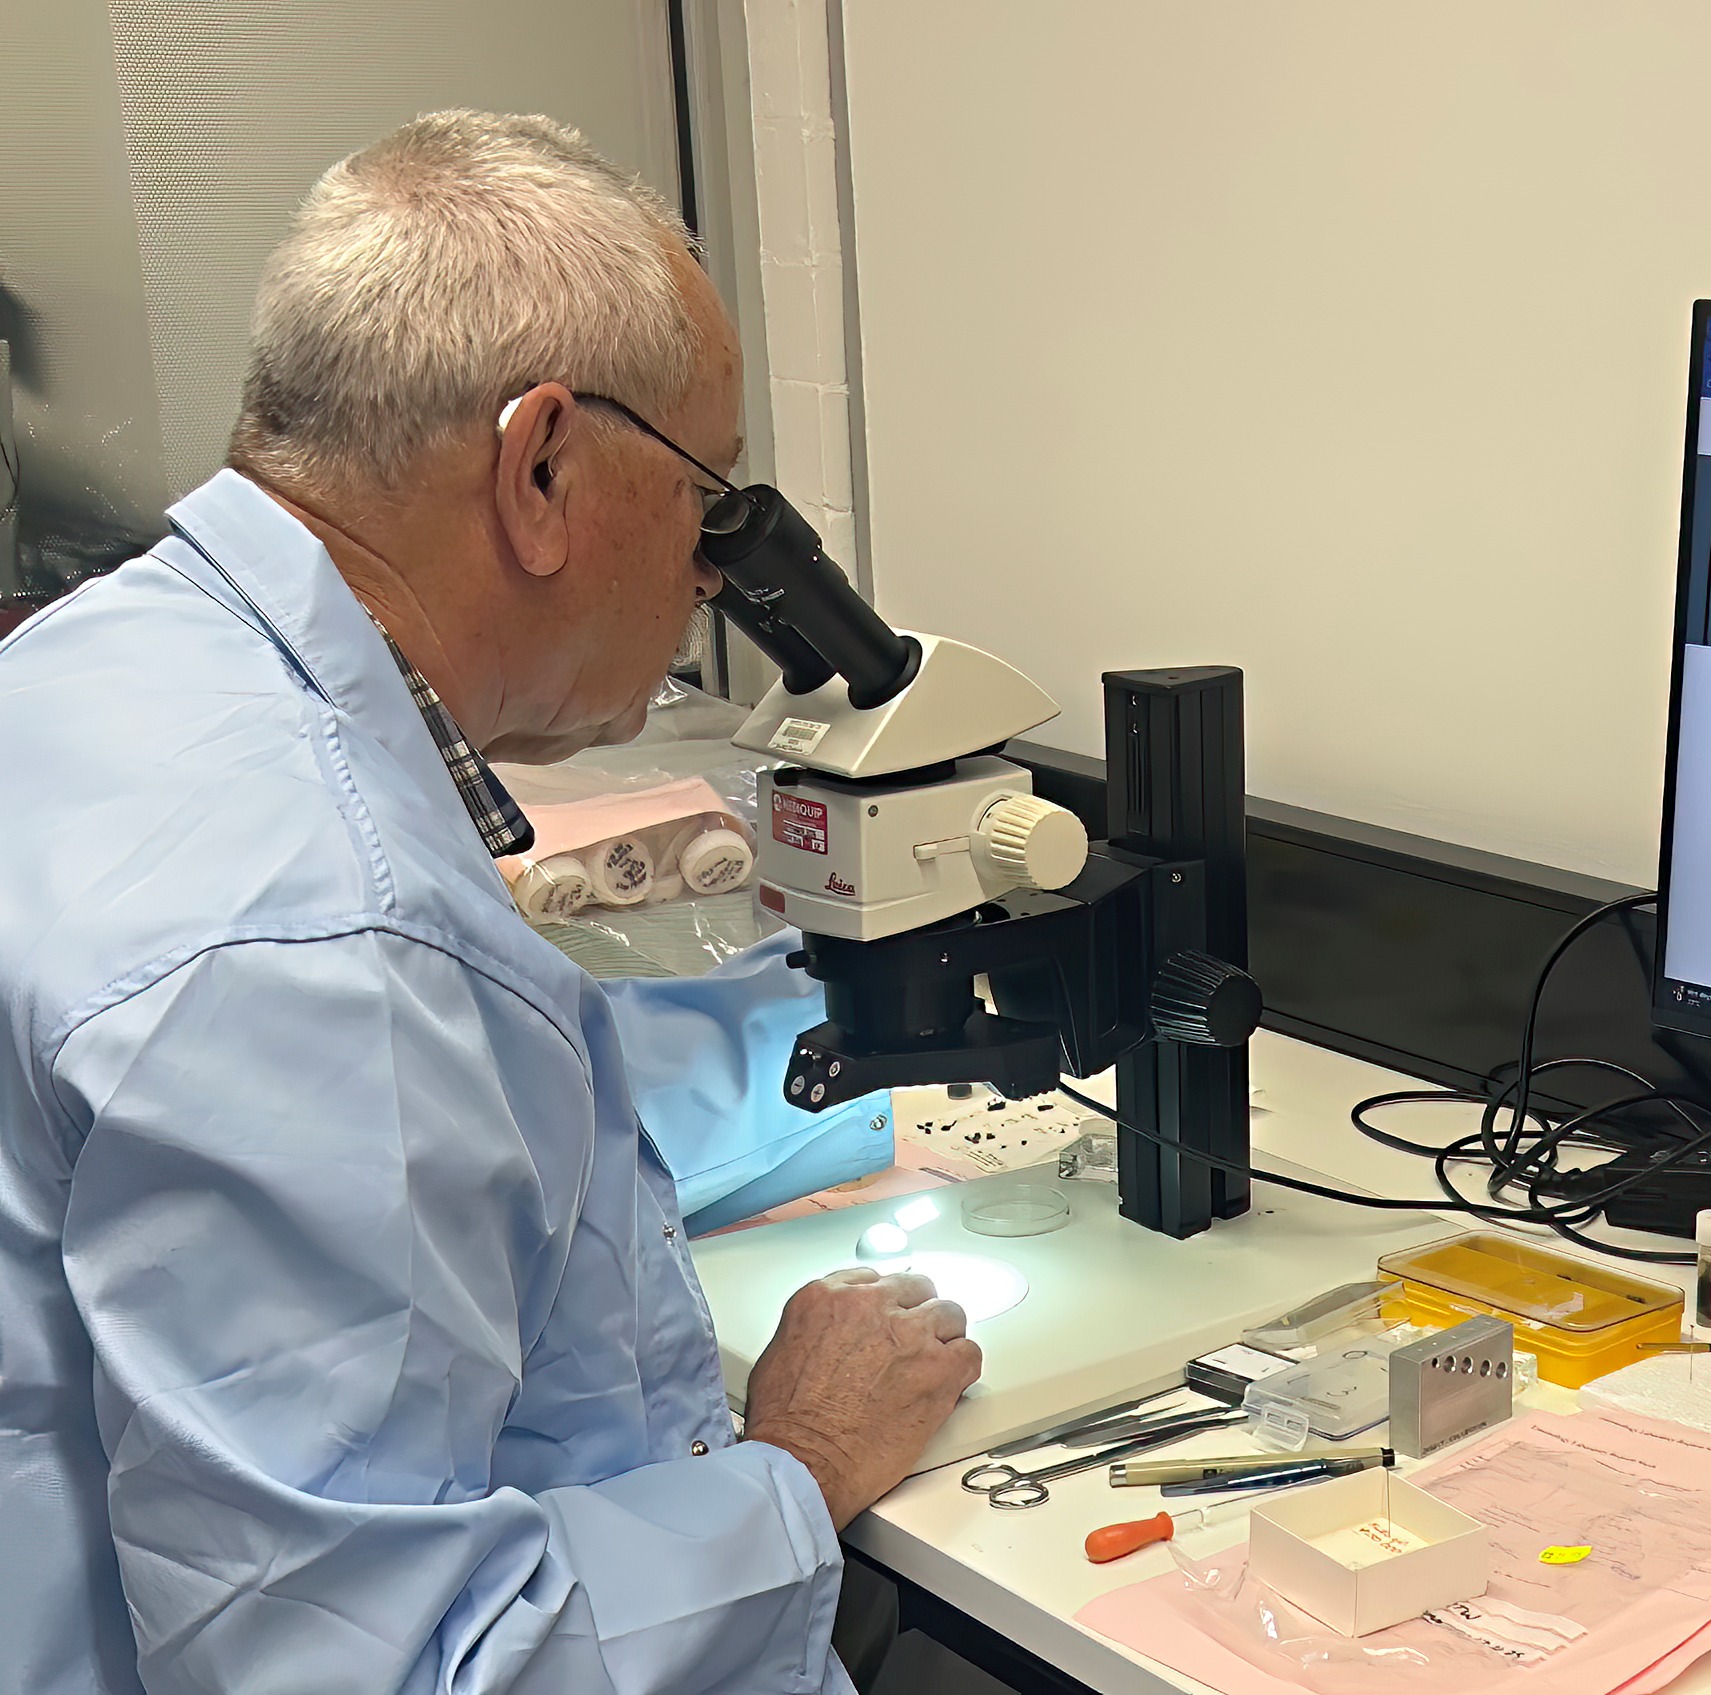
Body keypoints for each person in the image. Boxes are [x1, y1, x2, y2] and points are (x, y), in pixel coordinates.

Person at [0, 111, 981, 1694]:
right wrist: (795, 1468)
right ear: (540, 469)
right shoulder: (316, 931)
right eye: (706, 500)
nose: (712, 574)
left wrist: (852, 1049)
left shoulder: (108, 670)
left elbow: (489, 1117)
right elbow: (379, 1671)